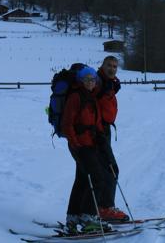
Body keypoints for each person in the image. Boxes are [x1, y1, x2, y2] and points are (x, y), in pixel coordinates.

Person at [61, 65, 111, 234]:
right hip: (80, 146)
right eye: (87, 79)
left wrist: (101, 138)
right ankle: (88, 216)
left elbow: (95, 122)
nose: (91, 82)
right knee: (98, 178)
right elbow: (67, 124)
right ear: (81, 80)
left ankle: (73, 216)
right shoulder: (75, 97)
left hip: (90, 144)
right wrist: (76, 144)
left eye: (93, 79)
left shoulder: (91, 98)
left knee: (82, 179)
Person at [95, 56, 129, 222]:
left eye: (115, 66)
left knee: (101, 170)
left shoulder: (108, 83)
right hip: (97, 132)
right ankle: (105, 208)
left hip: (104, 130)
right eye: (109, 65)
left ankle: (93, 209)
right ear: (102, 65)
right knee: (110, 169)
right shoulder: (98, 83)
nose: (112, 68)